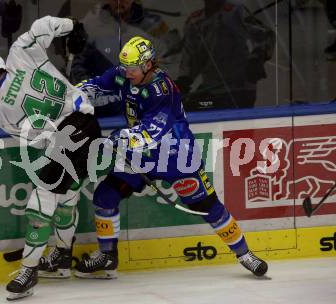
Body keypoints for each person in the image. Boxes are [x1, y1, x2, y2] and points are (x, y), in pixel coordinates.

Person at [70, 36, 268, 278]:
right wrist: (75, 95)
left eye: (132, 68)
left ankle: (245, 254)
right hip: (140, 156)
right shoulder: (124, 74)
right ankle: (108, 257)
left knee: (208, 207)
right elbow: (97, 85)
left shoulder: (163, 90)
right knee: (105, 195)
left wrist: (118, 139)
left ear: (147, 65)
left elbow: (151, 132)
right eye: (125, 67)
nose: (126, 72)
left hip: (176, 157)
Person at [0, 16, 101, 300]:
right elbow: (44, 25)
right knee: (66, 198)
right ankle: (62, 259)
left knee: (40, 201)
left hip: (67, 135)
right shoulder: (19, 51)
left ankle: (28, 271)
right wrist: (74, 25)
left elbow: (33, 138)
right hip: (89, 123)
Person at [176, 0, 275, 111]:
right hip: (210, 88)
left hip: (239, 88)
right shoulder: (195, 20)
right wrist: (183, 80)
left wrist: (256, 58)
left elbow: (265, 35)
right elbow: (190, 55)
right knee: (186, 109)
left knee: (233, 120)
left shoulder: (236, 12)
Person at [70, 0, 181, 85]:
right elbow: (77, 66)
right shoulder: (90, 27)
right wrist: (95, 89)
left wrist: (148, 84)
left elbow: (169, 61)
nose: (119, 1)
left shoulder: (154, 25)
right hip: (104, 106)